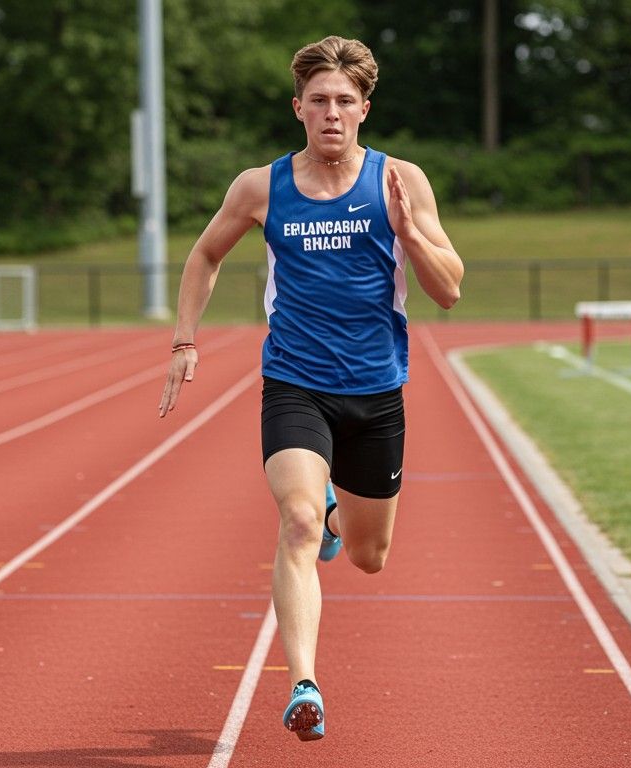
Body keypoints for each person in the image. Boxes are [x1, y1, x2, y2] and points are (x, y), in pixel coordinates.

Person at [157, 36, 463, 741]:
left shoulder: (401, 181)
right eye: (319, 101)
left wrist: (411, 235)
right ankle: (305, 682)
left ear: (364, 109)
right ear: (299, 108)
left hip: (377, 390)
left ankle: (336, 520)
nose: (332, 113)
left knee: (368, 555)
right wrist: (183, 339)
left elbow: (447, 292)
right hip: (295, 382)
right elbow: (205, 253)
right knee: (292, 520)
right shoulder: (261, 187)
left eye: (344, 102)